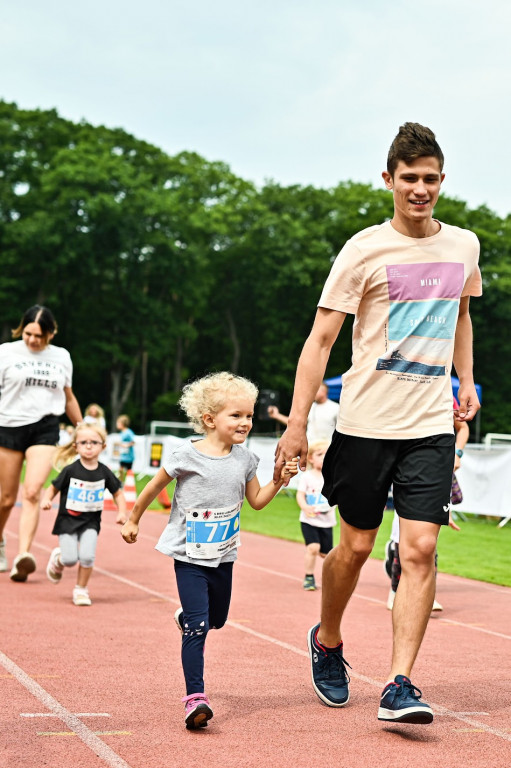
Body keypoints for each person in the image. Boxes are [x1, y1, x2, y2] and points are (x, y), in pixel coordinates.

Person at [273, 123, 481, 724]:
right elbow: (319, 342)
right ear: (388, 180)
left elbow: (462, 316)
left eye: (431, 179)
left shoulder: (463, 245)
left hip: (430, 424)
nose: (421, 189)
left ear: (443, 181)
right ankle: (329, 640)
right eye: (410, 178)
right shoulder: (363, 250)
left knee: (420, 549)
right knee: (356, 547)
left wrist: (465, 381)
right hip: (365, 423)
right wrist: (296, 425)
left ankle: (399, 683)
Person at [120, 372, 298, 730]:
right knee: (199, 629)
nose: (245, 422)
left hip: (224, 555)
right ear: (209, 419)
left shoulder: (245, 459)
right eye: (236, 415)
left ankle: (188, 618)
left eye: (249, 415)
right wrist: (133, 519)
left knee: (216, 619)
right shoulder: (186, 455)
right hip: (189, 556)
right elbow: (152, 486)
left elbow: (258, 502)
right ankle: (195, 698)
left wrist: (280, 480)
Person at [0, 305, 82, 581]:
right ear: (21, 329)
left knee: (33, 491)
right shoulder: (6, 352)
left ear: (51, 333)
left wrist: (81, 427)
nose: (33, 340)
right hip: (8, 426)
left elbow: (68, 397)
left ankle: (23, 556)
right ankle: (0, 541)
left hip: (45, 427)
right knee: (6, 498)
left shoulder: (61, 357)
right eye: (28, 333)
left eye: (40, 335)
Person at [385, 399, 470, 611]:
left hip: (435, 469)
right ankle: (395, 590)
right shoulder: (404, 390)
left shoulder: (444, 394)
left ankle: (427, 594)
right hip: (407, 467)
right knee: (402, 536)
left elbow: (463, 427)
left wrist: (457, 454)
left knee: (428, 543)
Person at [41, 422, 127, 606]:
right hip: (67, 520)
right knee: (70, 559)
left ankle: (81, 590)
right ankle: (59, 558)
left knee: (87, 556)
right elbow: (53, 487)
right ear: (75, 446)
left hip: (90, 522)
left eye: (94, 442)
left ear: (103, 446)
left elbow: (118, 493)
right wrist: (47, 499)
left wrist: (122, 512)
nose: (89, 446)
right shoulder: (70, 470)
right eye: (83, 442)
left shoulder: (104, 472)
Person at [296, 440, 337, 591]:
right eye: (320, 454)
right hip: (309, 520)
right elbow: (300, 495)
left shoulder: (333, 476)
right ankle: (309, 577)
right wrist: (305, 506)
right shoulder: (307, 477)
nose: (324, 457)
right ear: (311, 458)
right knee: (313, 548)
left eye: (327, 454)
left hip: (327, 522)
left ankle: (329, 578)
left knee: (326, 554)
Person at [268, 382, 339, 442]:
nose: (312, 393)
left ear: (324, 392)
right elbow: (294, 423)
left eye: (315, 390)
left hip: (327, 450)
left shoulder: (336, 408)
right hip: (310, 448)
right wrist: (276, 415)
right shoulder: (309, 407)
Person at [116, 414, 135, 484]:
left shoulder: (129, 432)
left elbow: (133, 442)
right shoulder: (121, 433)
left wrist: (126, 445)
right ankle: (121, 481)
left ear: (122, 424)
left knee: (128, 470)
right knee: (120, 469)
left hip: (129, 456)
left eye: (118, 423)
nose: (117, 424)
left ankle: (128, 482)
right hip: (123, 455)